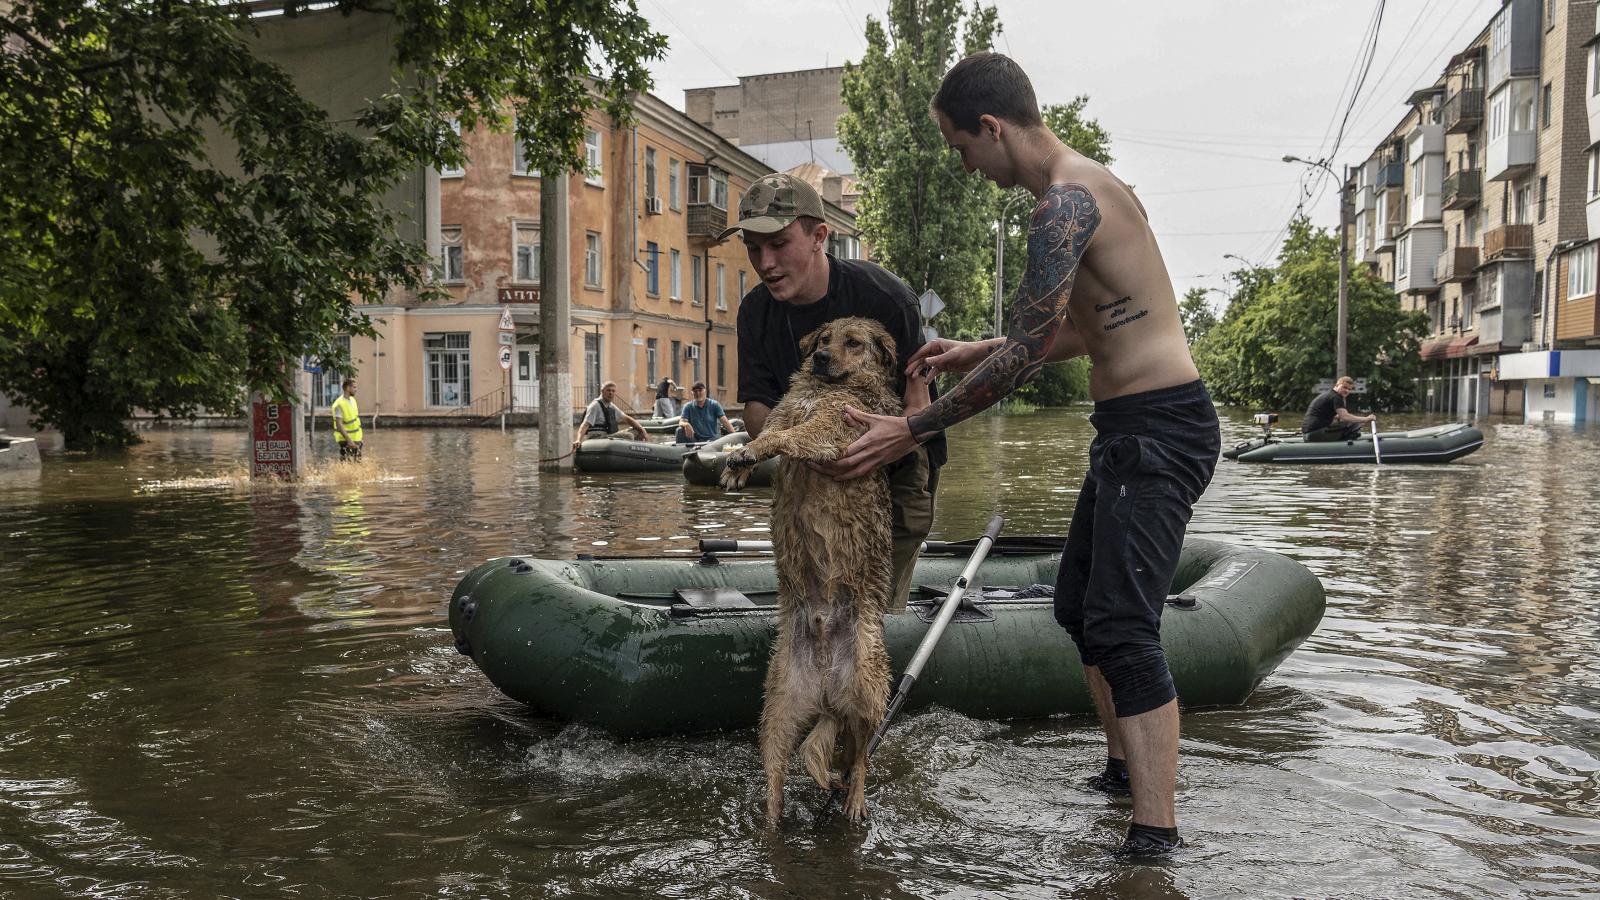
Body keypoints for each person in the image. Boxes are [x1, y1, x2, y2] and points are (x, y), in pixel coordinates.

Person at [822, 53, 1220, 857]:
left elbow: (1025, 359)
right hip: (1131, 428)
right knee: (1078, 608)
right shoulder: (1088, 190)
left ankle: (1155, 840)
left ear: (993, 128)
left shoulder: (1063, 206)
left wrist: (915, 426)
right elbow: (1086, 329)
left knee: (1124, 629)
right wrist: (973, 347)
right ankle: (1121, 775)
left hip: (1160, 429)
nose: (965, 166)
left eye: (961, 147)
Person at [720, 172, 947, 615]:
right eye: (752, 248)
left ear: (818, 236)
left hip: (896, 466)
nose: (765, 262)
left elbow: (921, 406)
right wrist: (806, 448)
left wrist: (883, 444)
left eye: (779, 244)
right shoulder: (755, 311)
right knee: (812, 608)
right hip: (809, 466)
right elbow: (756, 406)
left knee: (870, 615)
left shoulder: (884, 296)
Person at [572, 381, 648, 450]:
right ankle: (627, 454)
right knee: (628, 436)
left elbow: (627, 419)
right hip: (597, 438)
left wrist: (642, 430)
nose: (610, 393)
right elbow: (585, 424)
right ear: (602, 391)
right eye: (608, 390)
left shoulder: (611, 406)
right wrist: (578, 440)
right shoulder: (595, 406)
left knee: (636, 431)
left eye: (613, 391)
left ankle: (637, 454)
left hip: (608, 436)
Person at [1301, 376, 1374, 442]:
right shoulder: (1337, 397)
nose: (1347, 391)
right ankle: (1346, 447)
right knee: (1354, 426)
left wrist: (1344, 418)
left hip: (1307, 434)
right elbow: (1344, 417)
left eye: (1349, 389)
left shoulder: (1328, 395)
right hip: (1315, 435)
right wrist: (1366, 419)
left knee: (1347, 423)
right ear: (1336, 385)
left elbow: (1332, 415)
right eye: (1344, 387)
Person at [331, 378, 363, 461]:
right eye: (354, 387)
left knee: (356, 464)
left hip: (356, 439)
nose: (356, 390)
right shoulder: (339, 404)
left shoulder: (352, 400)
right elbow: (339, 425)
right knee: (347, 463)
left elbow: (355, 421)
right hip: (346, 440)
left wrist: (359, 439)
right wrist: (349, 440)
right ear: (348, 388)